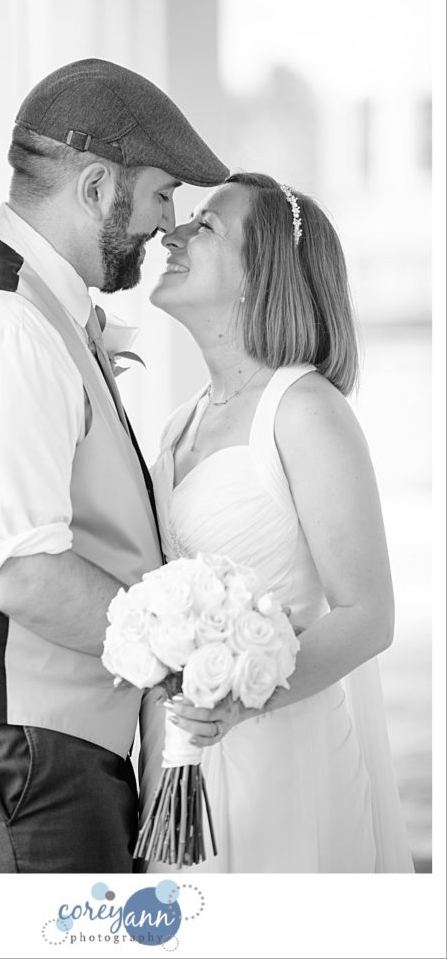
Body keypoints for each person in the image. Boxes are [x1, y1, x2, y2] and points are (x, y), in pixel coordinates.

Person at [0, 58, 229, 874]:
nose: (166, 223)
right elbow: (23, 573)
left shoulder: (35, 308)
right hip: (14, 763)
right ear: (96, 187)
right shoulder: (3, 325)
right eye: (160, 195)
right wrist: (180, 653)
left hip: (34, 750)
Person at [139, 173, 414, 873]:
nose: (171, 234)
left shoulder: (305, 410)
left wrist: (240, 701)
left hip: (285, 765)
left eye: (205, 225)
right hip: (182, 757)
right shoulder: (180, 423)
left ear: (259, 274)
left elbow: (368, 615)